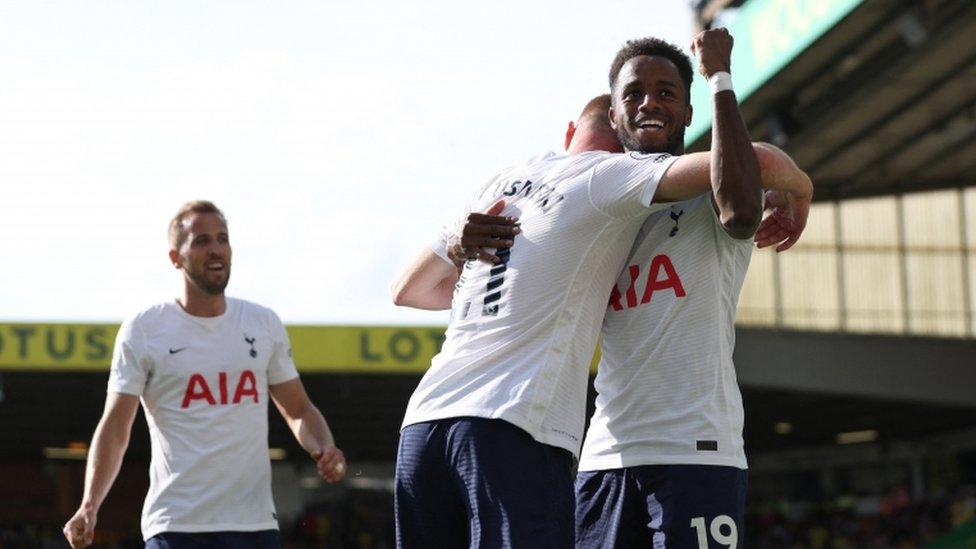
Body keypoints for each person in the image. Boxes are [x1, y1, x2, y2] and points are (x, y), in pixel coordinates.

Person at [390, 29, 811, 548]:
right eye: (633, 94)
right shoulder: (599, 199)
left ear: (688, 113)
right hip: (603, 457)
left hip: (695, 450)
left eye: (666, 94)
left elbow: (748, 192)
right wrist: (458, 244)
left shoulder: (717, 184)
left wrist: (727, 87)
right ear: (614, 116)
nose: (649, 103)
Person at [63, 200, 347, 549]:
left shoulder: (263, 324)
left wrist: (324, 447)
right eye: (201, 241)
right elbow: (117, 427)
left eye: (222, 239)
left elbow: (298, 409)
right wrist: (89, 505)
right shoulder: (145, 329)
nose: (216, 249)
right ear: (175, 257)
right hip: (175, 526)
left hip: (254, 526)